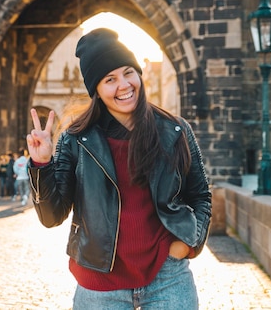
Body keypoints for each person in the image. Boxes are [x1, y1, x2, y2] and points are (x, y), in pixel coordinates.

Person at [25, 28, 212, 310]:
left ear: (139, 74)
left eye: (128, 72)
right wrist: (42, 164)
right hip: (99, 283)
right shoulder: (76, 139)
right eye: (109, 79)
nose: (124, 85)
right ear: (97, 91)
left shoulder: (174, 130)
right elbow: (52, 216)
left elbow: (201, 196)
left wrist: (188, 245)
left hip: (167, 277)